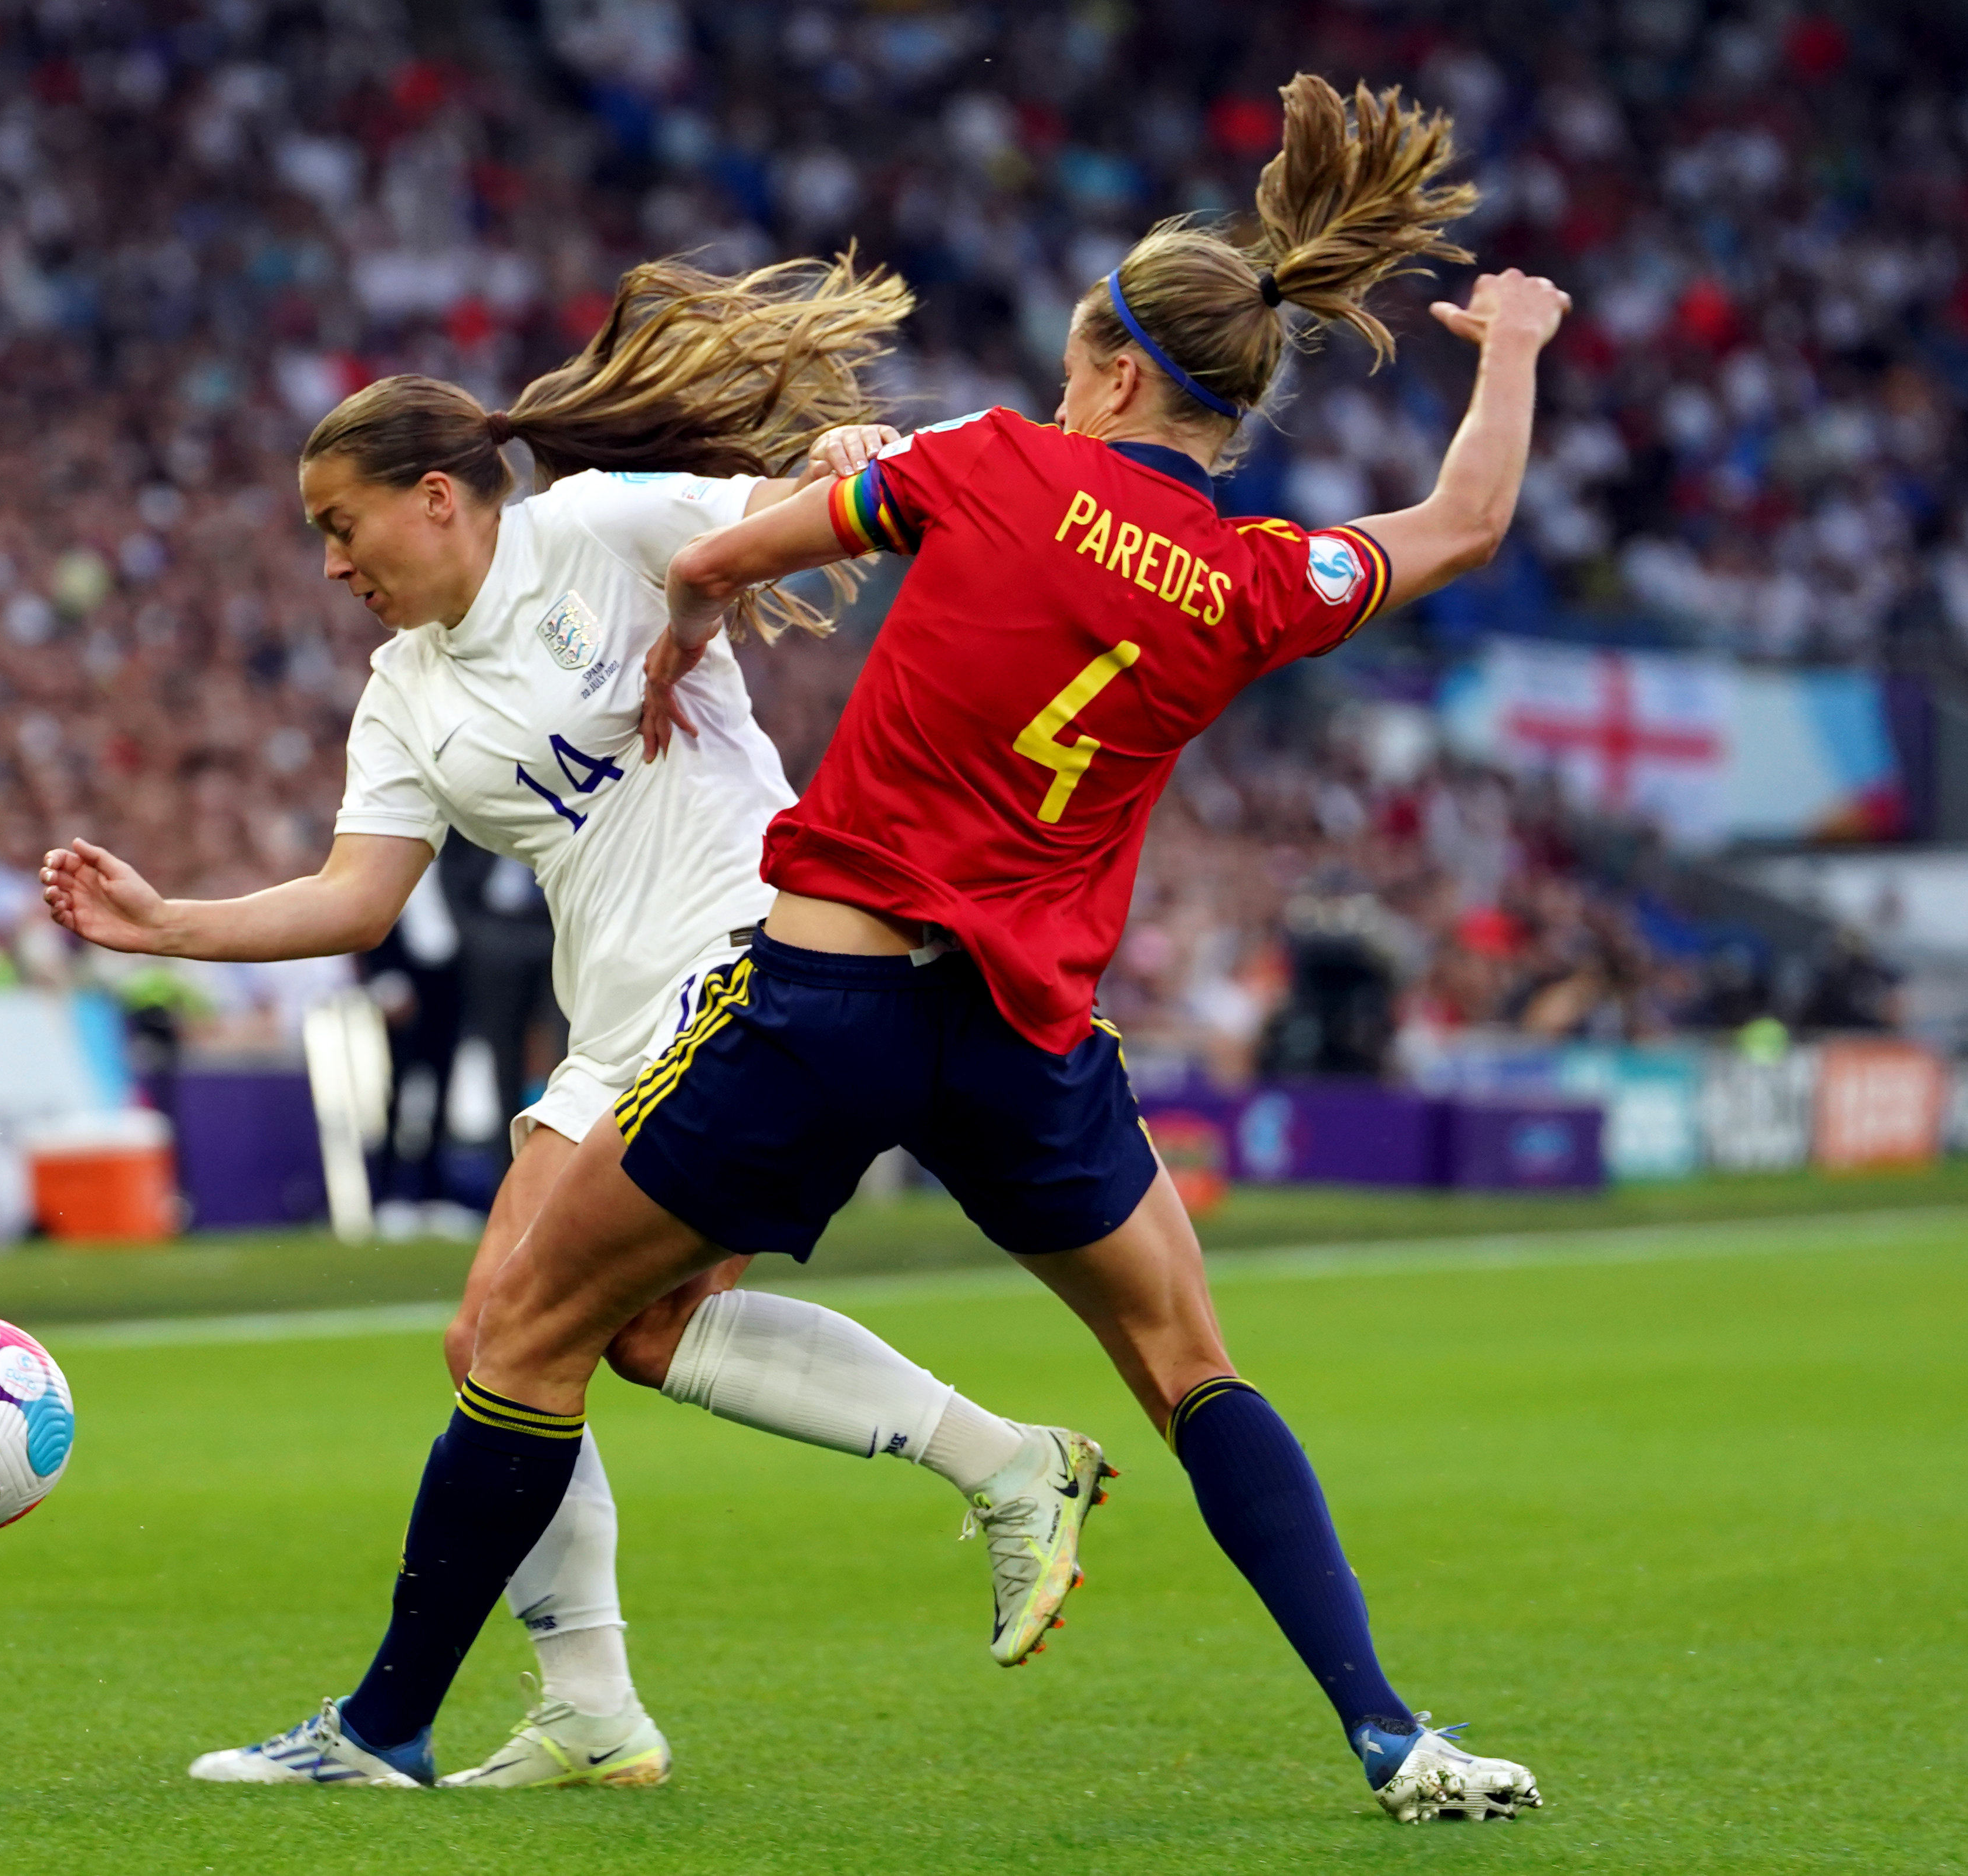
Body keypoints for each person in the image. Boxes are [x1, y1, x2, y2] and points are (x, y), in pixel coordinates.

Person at [254, 77, 1565, 1822]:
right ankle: (1396, 1733)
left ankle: (390, 1722)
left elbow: (733, 546)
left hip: (826, 997)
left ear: (1105, 368)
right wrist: (1515, 348)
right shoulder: (1259, 578)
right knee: (1192, 1370)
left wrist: (694, 619)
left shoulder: (982, 465)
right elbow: (1461, 527)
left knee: (525, 1329)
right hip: (1027, 1035)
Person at [42, 255, 1108, 1790]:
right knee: (523, 1336)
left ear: (436, 496)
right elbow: (355, 899)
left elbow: (804, 508)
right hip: (619, 1023)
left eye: (340, 526)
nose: (332, 565)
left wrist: (835, 463)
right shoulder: (402, 691)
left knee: (539, 1333)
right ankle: (600, 1701)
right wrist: (168, 924)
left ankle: (395, 1720)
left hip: (755, 961)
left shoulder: (598, 525)